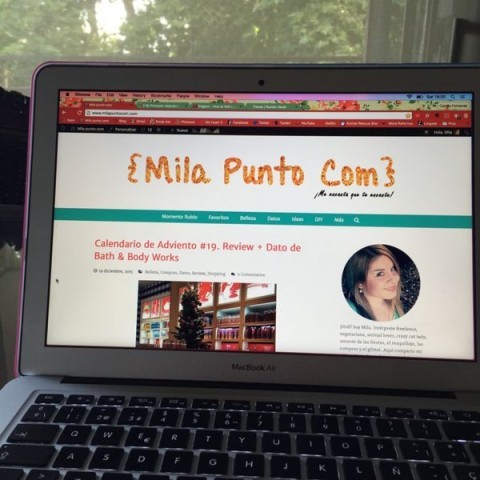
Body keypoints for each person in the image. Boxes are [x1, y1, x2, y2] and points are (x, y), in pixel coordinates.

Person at [343, 244, 404, 321]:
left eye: (392, 269)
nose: (394, 278)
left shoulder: (396, 307)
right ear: (360, 284)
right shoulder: (348, 311)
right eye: (380, 274)